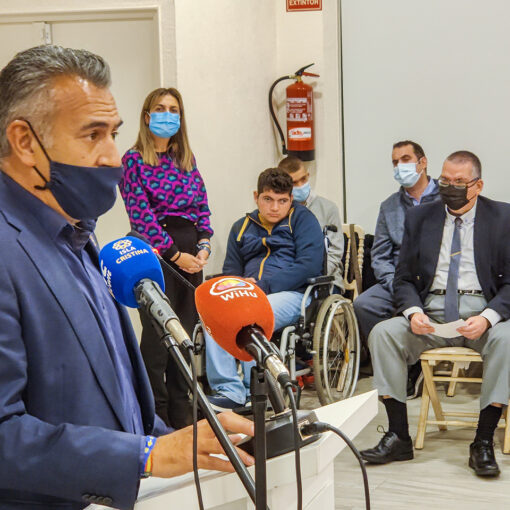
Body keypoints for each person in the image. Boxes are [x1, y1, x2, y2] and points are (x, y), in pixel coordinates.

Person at [0, 45, 253, 510]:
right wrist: (145, 455)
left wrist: (174, 442)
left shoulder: (79, 234)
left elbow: (111, 392)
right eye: (92, 135)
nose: (113, 157)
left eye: (113, 134)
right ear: (24, 141)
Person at [360, 151, 510, 477]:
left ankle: (483, 441)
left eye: (459, 182)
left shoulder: (503, 218)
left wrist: (488, 317)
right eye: (445, 180)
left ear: (478, 185)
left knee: (507, 339)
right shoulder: (421, 217)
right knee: (383, 333)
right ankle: (398, 435)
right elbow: (403, 278)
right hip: (432, 313)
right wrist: (413, 312)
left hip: (481, 313)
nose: (450, 187)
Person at [120, 87, 213, 429]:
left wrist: (203, 245)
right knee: (158, 336)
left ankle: (182, 409)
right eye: (160, 108)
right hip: (156, 251)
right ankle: (155, 414)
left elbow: (202, 207)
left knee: (185, 333)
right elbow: (141, 215)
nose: (168, 114)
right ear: (147, 116)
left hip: (191, 250)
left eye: (174, 109)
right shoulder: (133, 160)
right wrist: (176, 255)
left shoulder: (185, 158)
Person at [204, 168, 324, 411]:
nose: (275, 207)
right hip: (248, 294)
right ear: (256, 197)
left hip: (293, 293)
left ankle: (258, 390)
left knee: (252, 315)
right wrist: (237, 287)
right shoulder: (241, 227)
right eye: (268, 199)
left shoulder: (303, 220)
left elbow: (309, 265)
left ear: (291, 199)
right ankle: (229, 390)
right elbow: (231, 271)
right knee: (213, 313)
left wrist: (263, 287)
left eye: (282, 201)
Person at [353, 140, 440, 396]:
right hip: (399, 280)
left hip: (437, 281)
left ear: (422, 162)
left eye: (405, 159)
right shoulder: (389, 206)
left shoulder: (446, 198)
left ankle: (417, 359)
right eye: (395, 162)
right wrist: (396, 285)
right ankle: (398, 363)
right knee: (364, 305)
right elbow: (380, 256)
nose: (399, 166)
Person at [278, 155, 344, 292]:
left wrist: (311, 276)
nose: (300, 186)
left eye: (303, 179)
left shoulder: (328, 208)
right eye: (294, 183)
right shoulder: (279, 211)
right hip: (288, 279)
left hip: (325, 280)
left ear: (308, 176)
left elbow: (334, 254)